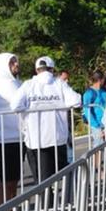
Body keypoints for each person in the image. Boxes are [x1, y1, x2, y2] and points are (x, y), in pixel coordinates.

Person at [17, 56, 82, 193]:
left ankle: (47, 210)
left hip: (36, 139)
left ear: (36, 70)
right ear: (52, 69)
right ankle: (67, 205)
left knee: (42, 180)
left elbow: (15, 105)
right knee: (62, 175)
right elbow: (76, 100)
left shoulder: (28, 85)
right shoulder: (59, 83)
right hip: (58, 137)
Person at [0, 53, 24, 203]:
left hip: (14, 136)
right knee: (7, 179)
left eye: (16, 61)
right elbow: (21, 102)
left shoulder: (13, 82)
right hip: (6, 138)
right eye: (12, 62)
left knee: (13, 178)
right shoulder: (5, 83)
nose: (16, 64)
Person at [82, 72, 106, 149]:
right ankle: (95, 161)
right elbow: (87, 110)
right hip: (97, 124)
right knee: (98, 147)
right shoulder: (89, 93)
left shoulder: (104, 91)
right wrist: (96, 125)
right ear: (100, 80)